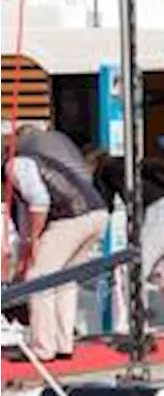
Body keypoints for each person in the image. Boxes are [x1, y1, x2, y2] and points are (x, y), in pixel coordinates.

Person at [2, 127, 109, 361]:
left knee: (38, 278)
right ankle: (63, 344)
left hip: (71, 218)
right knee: (64, 281)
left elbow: (39, 202)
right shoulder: (45, 160)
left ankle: (43, 347)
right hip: (97, 214)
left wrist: (34, 238)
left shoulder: (17, 165)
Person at [89, 150, 164, 340]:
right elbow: (151, 164)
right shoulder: (128, 164)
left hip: (161, 214)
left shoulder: (106, 169)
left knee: (132, 268)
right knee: (162, 272)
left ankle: (130, 325)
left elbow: (105, 205)